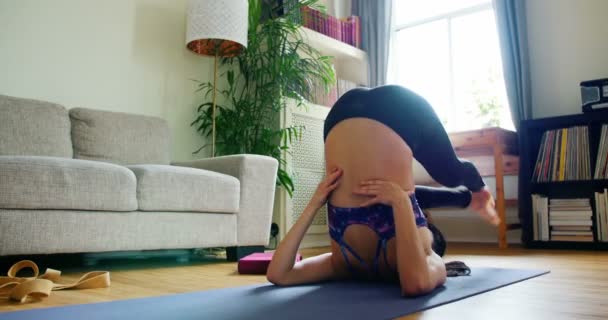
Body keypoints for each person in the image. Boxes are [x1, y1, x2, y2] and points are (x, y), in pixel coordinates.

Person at [267, 85, 498, 296]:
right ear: (431, 249)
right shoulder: (431, 259)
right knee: (449, 175)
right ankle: (478, 191)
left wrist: (315, 202)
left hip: (342, 113)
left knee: (446, 177)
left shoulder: (343, 266)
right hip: (401, 111)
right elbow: (415, 281)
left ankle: (469, 198)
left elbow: (278, 274)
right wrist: (401, 202)